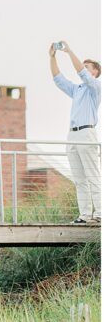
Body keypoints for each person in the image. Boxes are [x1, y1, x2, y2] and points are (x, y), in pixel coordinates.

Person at [50, 41, 101, 223]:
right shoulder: (77, 89)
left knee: (92, 175)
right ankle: (85, 215)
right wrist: (52, 57)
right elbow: (58, 79)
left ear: (94, 72)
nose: (83, 68)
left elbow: (81, 72)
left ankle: (100, 214)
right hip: (72, 135)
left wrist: (69, 51)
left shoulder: (95, 87)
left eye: (88, 67)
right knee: (79, 178)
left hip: (87, 133)